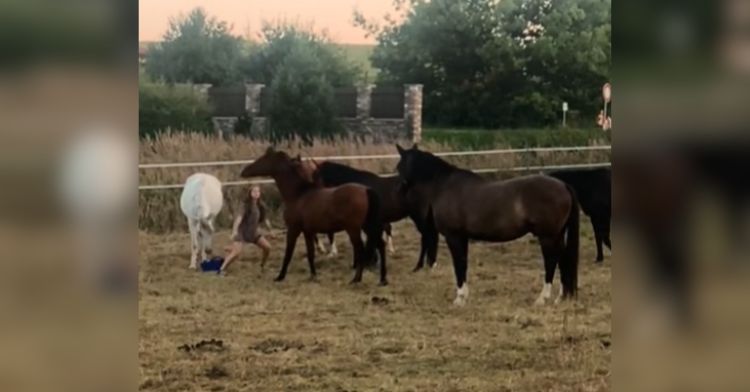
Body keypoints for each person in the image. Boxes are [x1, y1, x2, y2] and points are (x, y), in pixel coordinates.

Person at [220, 185, 272, 274]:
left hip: (254, 233)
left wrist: (270, 230)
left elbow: (265, 220)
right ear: (250, 193)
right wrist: (235, 231)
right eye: (254, 191)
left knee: (267, 248)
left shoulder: (261, 206)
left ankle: (262, 266)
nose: (256, 193)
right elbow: (239, 219)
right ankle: (221, 270)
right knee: (236, 253)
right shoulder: (245, 205)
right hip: (242, 233)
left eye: (258, 192)